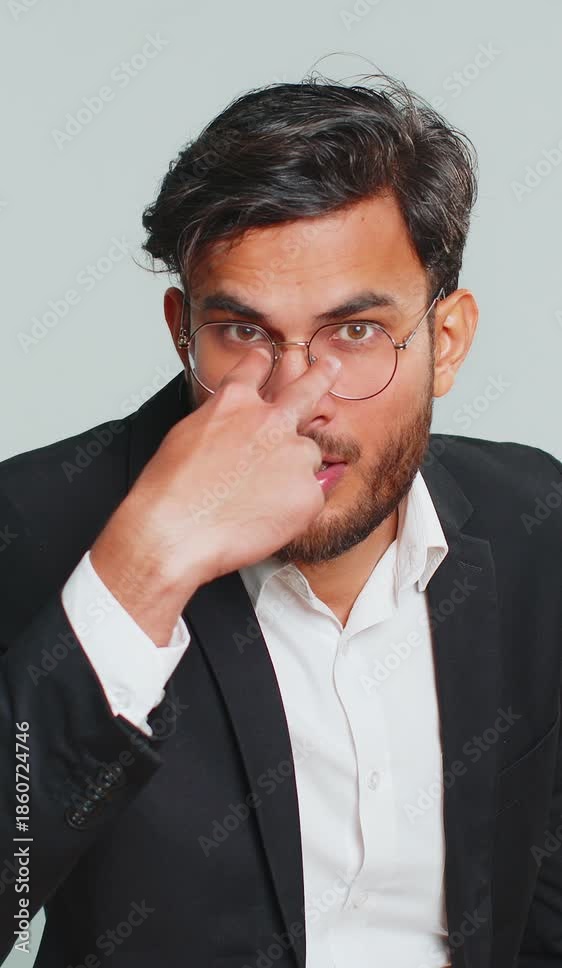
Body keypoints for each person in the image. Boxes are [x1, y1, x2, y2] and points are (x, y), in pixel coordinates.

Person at [1, 74, 561, 968]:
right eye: (244, 332)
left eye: (356, 332)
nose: (299, 400)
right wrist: (142, 570)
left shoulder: (533, 517)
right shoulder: (33, 524)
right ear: (183, 331)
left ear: (447, 342)